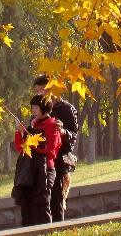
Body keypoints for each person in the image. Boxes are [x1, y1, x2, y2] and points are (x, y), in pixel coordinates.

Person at [33, 74, 79, 222]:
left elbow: (73, 136)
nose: (40, 94)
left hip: (59, 162)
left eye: (42, 90)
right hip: (41, 162)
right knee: (42, 201)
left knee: (57, 198)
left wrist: (63, 131)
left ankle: (59, 228)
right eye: (37, 91)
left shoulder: (66, 108)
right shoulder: (38, 110)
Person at [15, 95, 61, 226]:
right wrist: (20, 133)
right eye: (32, 107)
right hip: (29, 172)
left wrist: (34, 143)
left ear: (43, 108)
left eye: (35, 107)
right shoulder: (33, 124)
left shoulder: (52, 125)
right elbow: (21, 149)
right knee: (27, 207)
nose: (32, 110)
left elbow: (51, 151)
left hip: (45, 170)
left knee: (42, 204)